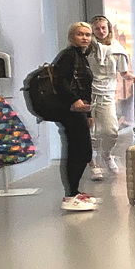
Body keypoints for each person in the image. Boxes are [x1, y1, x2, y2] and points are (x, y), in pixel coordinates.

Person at [53, 21, 98, 212]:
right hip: (69, 110)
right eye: (80, 34)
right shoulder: (68, 55)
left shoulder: (81, 56)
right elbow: (60, 80)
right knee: (77, 151)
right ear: (72, 37)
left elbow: (85, 87)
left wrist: (88, 113)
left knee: (83, 150)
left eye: (88, 35)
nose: (85, 38)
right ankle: (70, 195)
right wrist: (75, 100)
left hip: (80, 110)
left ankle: (75, 191)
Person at [86, 14, 134, 181]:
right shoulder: (87, 48)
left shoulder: (117, 49)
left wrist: (133, 78)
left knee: (111, 131)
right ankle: (93, 165)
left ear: (108, 29)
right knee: (90, 132)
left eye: (103, 28)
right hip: (88, 94)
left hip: (106, 94)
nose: (101, 31)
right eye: (97, 28)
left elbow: (123, 72)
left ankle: (106, 154)